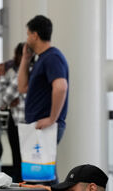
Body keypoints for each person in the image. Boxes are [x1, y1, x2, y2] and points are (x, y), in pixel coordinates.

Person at [18, 15, 69, 143]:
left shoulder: (52, 57)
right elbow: (22, 88)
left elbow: (61, 87)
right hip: (38, 125)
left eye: (28, 35)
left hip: (46, 126)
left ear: (35, 35)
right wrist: (25, 59)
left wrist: (52, 119)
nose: (27, 39)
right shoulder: (41, 59)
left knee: (41, 158)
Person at [0, 42, 26, 182]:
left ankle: (22, 188)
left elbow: (3, 100)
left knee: (18, 159)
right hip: (28, 122)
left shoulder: (22, 73)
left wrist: (2, 76)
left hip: (18, 122)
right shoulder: (35, 71)